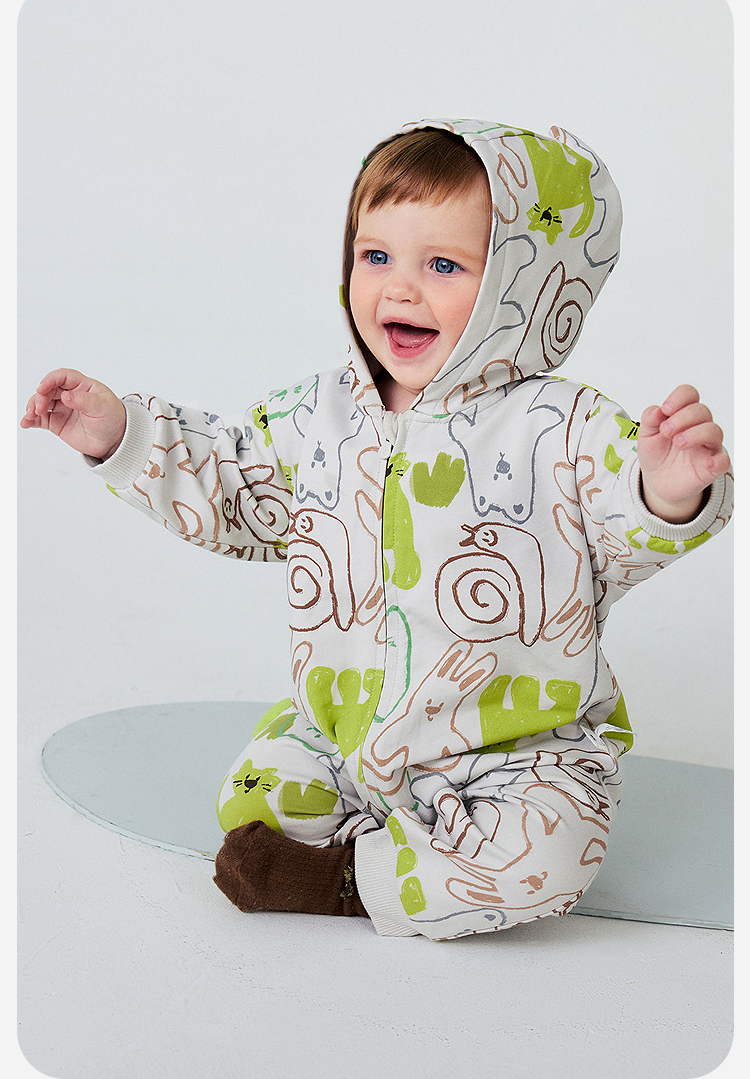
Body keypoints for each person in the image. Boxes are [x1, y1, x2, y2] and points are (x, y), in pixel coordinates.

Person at [21, 119, 733, 941]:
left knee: (547, 856)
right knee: (253, 796)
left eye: (443, 265)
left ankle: (347, 882)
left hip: (513, 757)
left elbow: (623, 523)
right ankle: (395, 843)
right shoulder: (321, 413)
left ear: (523, 285)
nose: (399, 289)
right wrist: (121, 436)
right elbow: (235, 484)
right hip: (348, 739)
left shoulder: (561, 427)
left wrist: (667, 489)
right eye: (376, 255)